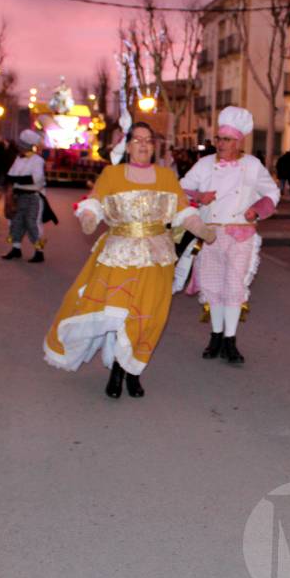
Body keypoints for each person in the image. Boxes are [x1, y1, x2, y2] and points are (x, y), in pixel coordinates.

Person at [45, 123, 215, 398]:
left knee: (147, 316)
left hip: (157, 257)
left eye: (148, 140)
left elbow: (182, 210)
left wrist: (201, 228)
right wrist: (89, 216)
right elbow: (95, 201)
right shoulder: (112, 174)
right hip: (119, 256)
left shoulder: (166, 176)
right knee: (118, 313)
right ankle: (116, 372)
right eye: (137, 140)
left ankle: (132, 370)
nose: (143, 145)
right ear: (128, 146)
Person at [179, 106, 280, 365]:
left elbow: (272, 193)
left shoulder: (252, 165)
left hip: (241, 234)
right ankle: (215, 337)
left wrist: (257, 210)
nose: (220, 144)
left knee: (234, 286)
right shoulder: (204, 165)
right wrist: (199, 196)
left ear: (239, 142)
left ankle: (230, 340)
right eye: (219, 138)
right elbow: (181, 188)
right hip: (210, 233)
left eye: (226, 139)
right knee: (213, 285)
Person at [3, 130, 48, 263]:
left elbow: (36, 179)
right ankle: (16, 248)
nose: (19, 147)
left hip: (33, 197)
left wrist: (16, 180)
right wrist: (14, 183)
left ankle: (39, 252)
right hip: (18, 196)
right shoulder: (18, 159)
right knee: (15, 222)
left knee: (32, 223)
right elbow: (10, 176)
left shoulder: (38, 160)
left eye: (21, 145)